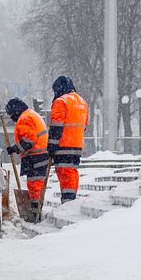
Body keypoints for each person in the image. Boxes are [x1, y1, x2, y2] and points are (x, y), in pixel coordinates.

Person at [4, 98, 49, 222]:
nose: (11, 118)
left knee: (34, 185)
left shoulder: (24, 118)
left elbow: (30, 139)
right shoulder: (32, 114)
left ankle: (34, 214)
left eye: (11, 114)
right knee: (38, 184)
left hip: (35, 156)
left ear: (15, 111)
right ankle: (36, 211)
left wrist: (15, 148)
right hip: (41, 154)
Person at [48, 76, 89, 204]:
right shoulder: (82, 102)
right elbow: (85, 125)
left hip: (63, 144)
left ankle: (67, 201)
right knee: (72, 172)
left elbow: (56, 126)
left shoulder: (61, 101)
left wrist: (51, 145)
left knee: (65, 173)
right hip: (76, 144)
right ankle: (71, 199)